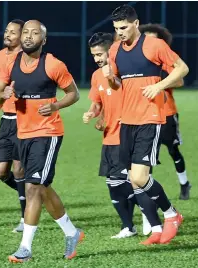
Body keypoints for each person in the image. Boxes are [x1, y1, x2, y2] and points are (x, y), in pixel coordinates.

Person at [0, 20, 83, 262]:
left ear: (43, 40)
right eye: (25, 32)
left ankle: (25, 249)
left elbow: (74, 93)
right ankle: (72, 232)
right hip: (23, 133)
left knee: (33, 187)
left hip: (48, 132)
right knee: (41, 187)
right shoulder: (11, 63)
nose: (28, 36)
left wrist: (55, 105)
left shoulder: (53, 64)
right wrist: (3, 95)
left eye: (35, 33)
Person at [106, 4, 188, 245]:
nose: (120, 32)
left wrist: (159, 86)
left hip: (150, 119)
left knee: (140, 176)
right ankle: (155, 228)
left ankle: (172, 214)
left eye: (123, 27)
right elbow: (118, 85)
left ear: (136, 23)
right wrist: (111, 80)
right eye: (116, 28)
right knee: (133, 179)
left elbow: (182, 69)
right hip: (127, 121)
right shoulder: (114, 50)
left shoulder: (154, 45)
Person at [82, 32, 138, 239]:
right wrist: (93, 113)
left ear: (111, 51)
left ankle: (157, 216)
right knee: (113, 183)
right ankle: (128, 226)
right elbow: (98, 102)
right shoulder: (97, 76)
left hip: (127, 134)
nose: (97, 59)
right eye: (93, 55)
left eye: (100, 54)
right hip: (109, 135)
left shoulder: (124, 70)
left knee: (132, 181)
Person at [139, 23, 191, 200]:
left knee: (173, 150)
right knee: (148, 154)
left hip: (167, 114)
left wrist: (160, 83)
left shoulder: (164, 61)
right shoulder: (138, 61)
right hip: (145, 114)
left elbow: (180, 81)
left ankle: (184, 183)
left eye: (154, 38)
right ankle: (149, 190)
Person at [0, 19, 26, 232]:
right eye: (6, 31)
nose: (8, 34)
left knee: (19, 169)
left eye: (13, 32)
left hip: (23, 120)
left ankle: (24, 217)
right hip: (6, 121)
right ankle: (29, 194)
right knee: (1, 172)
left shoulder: (29, 59)